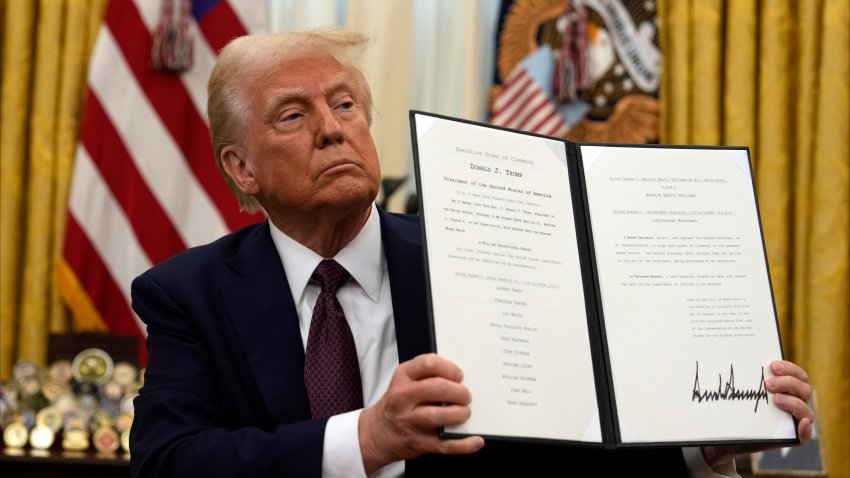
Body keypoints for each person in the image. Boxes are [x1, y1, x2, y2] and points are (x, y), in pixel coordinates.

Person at [129, 28, 815, 478]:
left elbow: (565, 445)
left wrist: (705, 445)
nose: (333, 130)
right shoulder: (188, 292)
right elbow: (167, 462)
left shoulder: (487, 255)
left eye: (344, 105)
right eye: (293, 114)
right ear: (241, 168)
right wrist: (363, 440)